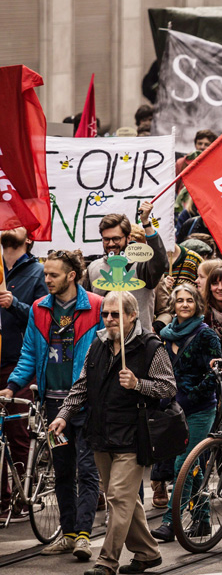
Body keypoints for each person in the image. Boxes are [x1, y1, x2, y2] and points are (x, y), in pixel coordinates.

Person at [49, 291, 176, 575]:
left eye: (115, 314)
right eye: (105, 314)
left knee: (118, 497)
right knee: (123, 499)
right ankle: (147, 552)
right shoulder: (98, 344)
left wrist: (138, 384)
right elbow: (82, 385)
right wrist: (62, 415)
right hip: (100, 433)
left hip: (134, 436)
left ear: (132, 315)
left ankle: (107, 561)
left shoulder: (151, 347)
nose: (109, 319)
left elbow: (168, 388)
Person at [3, 250, 101, 559]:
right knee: (61, 470)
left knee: (86, 470)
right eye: (45, 274)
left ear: (72, 275)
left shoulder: (96, 307)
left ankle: (84, 535)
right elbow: (30, 352)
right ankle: (68, 533)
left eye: (53, 275)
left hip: (85, 405)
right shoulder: (39, 308)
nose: (46, 279)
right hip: (52, 407)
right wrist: (12, 386)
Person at [150, 283, 222, 543]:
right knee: (194, 468)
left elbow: (216, 375)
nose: (184, 305)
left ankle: (171, 521)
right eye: (179, 300)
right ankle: (203, 520)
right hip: (174, 410)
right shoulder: (167, 335)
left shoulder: (207, 335)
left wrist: (192, 395)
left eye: (189, 300)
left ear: (197, 305)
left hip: (200, 409)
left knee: (184, 464)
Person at [0, 228, 46, 520]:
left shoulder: (38, 272)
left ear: (28, 237)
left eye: (15, 223)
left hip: (16, 363)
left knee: (16, 431)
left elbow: (46, 316)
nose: (6, 225)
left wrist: (13, 304)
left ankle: (21, 494)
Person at [85, 205, 169, 332]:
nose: (111, 244)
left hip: (140, 344)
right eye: (106, 239)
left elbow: (160, 262)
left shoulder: (142, 265)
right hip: (106, 342)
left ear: (128, 238)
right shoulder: (93, 268)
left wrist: (146, 223)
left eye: (116, 239)